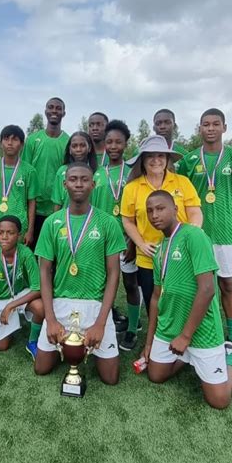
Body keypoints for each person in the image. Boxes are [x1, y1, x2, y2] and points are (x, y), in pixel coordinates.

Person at [141, 191, 232, 409]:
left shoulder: (194, 235)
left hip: (201, 330)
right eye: (149, 211)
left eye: (160, 208)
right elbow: (156, 297)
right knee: (155, 375)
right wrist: (149, 343)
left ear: (175, 209)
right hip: (169, 328)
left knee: (219, 400)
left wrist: (185, 336)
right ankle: (187, 357)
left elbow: (207, 289)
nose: (154, 215)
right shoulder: (159, 250)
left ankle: (231, 356)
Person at [177, 108, 232, 360]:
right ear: (199, 129)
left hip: (225, 233)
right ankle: (193, 332)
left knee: (227, 284)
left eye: (215, 124)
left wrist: (221, 213)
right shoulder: (189, 160)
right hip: (196, 234)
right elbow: (181, 194)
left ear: (224, 127)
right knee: (195, 286)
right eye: (206, 124)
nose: (210, 128)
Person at [34, 162, 126, 385]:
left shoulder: (108, 223)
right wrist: (51, 319)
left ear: (93, 185)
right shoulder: (51, 223)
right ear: (64, 183)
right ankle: (66, 346)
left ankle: (83, 346)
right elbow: (44, 272)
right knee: (41, 369)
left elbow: (114, 274)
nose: (78, 184)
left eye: (84, 180)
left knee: (110, 378)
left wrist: (101, 323)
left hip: (95, 305)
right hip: (61, 303)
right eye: (73, 179)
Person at [121, 135, 203, 329]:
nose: (156, 160)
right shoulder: (132, 187)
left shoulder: (182, 182)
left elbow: (195, 212)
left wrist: (187, 240)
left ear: (167, 159)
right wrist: (140, 243)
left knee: (183, 299)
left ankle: (183, 339)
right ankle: (158, 341)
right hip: (149, 258)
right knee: (154, 301)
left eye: (161, 155)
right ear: (143, 159)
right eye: (150, 156)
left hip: (181, 255)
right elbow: (127, 220)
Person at [92, 120, 141, 350]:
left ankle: (132, 328)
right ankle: (105, 319)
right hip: (101, 240)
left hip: (127, 239)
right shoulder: (97, 173)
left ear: (125, 144)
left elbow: (139, 208)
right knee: (102, 283)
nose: (113, 146)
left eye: (118, 142)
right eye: (109, 141)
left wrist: (133, 241)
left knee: (131, 284)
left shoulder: (133, 173)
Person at [0, 216, 44, 359]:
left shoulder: (26, 254)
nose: (4, 237)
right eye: (0, 232)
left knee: (40, 307)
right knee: (2, 347)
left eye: (10, 233)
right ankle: (8, 326)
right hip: (0, 298)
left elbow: (37, 288)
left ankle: (32, 341)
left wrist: (11, 306)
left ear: (19, 236)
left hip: (21, 294)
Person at [0, 125, 39, 249]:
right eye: (6, 139)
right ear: (1, 143)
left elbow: (32, 202)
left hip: (19, 228)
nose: (10, 143)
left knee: (15, 264)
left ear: (22, 145)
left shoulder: (29, 171)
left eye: (15, 139)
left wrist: (30, 231)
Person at [21, 98, 70, 248]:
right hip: (33, 209)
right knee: (31, 252)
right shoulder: (32, 140)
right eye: (51, 107)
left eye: (58, 108)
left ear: (64, 113)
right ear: (45, 111)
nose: (54, 111)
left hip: (57, 209)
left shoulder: (68, 142)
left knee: (53, 253)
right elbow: (25, 172)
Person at [52, 131, 98, 211]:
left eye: (82, 145)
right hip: (66, 221)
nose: (78, 149)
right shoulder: (62, 171)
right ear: (69, 149)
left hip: (93, 221)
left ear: (89, 148)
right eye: (74, 146)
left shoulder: (98, 172)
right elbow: (57, 203)